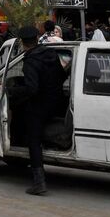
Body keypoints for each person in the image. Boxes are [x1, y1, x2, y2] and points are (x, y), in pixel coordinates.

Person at [6, 25, 67, 196]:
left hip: (40, 104)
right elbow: (62, 75)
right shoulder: (50, 54)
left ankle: (39, 181)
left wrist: (10, 91)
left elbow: (32, 88)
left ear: (23, 43)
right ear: (36, 39)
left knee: (34, 139)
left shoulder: (31, 61)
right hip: (56, 101)